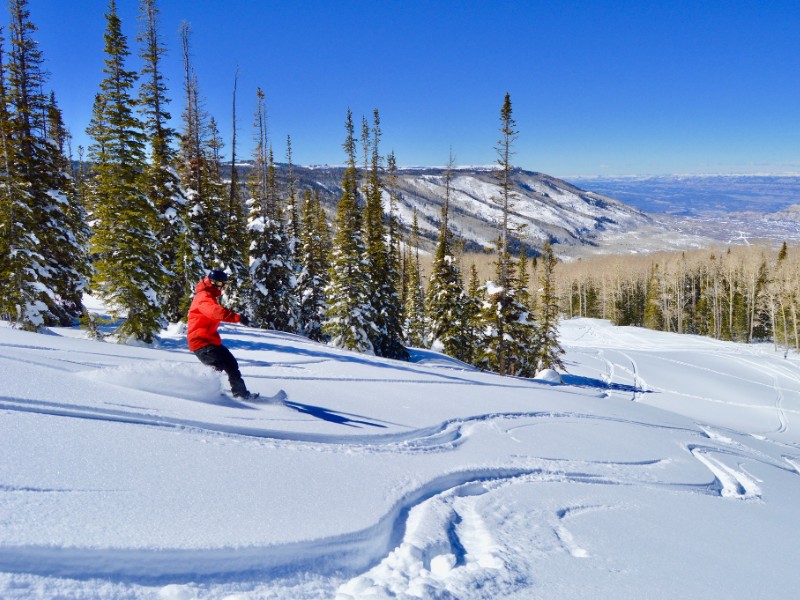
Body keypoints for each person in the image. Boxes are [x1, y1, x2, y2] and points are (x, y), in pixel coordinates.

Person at [187, 269, 257, 400]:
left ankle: (240, 394)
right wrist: (237, 317)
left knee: (230, 363)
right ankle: (207, 394)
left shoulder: (208, 295)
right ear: (213, 283)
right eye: (221, 284)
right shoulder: (204, 297)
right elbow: (214, 312)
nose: (223, 287)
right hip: (201, 341)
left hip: (209, 340)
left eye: (224, 284)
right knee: (216, 366)